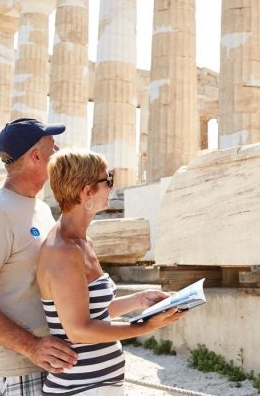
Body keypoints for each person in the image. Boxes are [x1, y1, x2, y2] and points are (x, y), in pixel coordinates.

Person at [37, 149, 185, 395]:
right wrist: (144, 327)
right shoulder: (64, 251)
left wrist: (139, 300)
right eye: (108, 181)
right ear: (86, 192)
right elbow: (78, 330)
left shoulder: (81, 242)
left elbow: (91, 310)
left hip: (97, 386)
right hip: (81, 388)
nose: (112, 188)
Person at [0, 118, 79, 396]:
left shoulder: (40, 208)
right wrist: (32, 347)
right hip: (10, 372)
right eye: (52, 145)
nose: (58, 148)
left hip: (45, 365)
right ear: (36, 156)